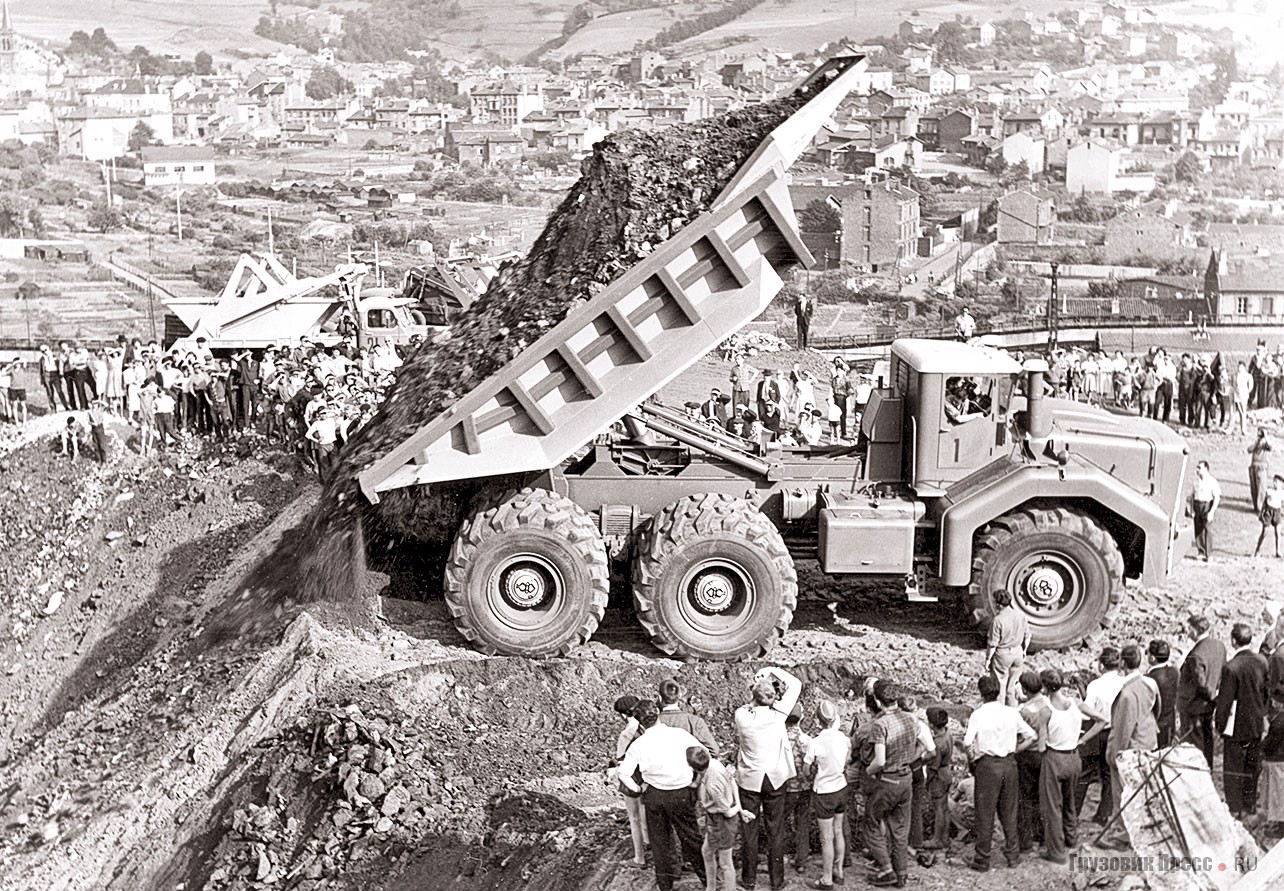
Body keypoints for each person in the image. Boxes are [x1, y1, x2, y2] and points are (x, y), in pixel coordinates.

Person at [618, 701, 707, 891]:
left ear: (640, 722)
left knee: (660, 844)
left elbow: (623, 773)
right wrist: (696, 779)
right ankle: (708, 880)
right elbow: (704, 754)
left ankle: (666, 886)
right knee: (691, 838)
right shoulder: (680, 735)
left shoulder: (638, 744)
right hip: (682, 793)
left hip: (655, 795)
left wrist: (638, 789)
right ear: (657, 713)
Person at [734, 666, 802, 891]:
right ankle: (776, 881)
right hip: (775, 778)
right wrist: (772, 670)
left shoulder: (742, 715)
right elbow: (796, 685)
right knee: (776, 831)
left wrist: (758, 686)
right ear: (773, 700)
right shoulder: (778, 716)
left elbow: (751, 703)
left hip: (750, 780)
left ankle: (749, 879)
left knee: (749, 831)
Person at [962, 674, 1036, 872]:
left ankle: (982, 859)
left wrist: (972, 759)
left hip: (987, 766)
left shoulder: (978, 714)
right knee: (1009, 811)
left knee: (985, 814)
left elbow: (967, 742)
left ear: (981, 693)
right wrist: (1015, 750)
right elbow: (1031, 735)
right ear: (999, 691)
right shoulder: (1011, 712)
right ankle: (1012, 855)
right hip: (1009, 764)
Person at [1098, 645, 1160, 850]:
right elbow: (1156, 709)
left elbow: (1123, 729)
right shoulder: (1149, 684)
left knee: (1123, 793)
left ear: (1122, 663)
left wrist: (1114, 756)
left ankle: (1122, 835)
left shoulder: (1127, 694)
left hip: (1131, 749)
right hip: (1148, 741)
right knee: (1143, 791)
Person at [864, 679, 918, 887]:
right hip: (906, 778)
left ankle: (886, 868)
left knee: (872, 822)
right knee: (900, 829)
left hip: (887, 779)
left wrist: (869, 772)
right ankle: (901, 872)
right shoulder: (911, 718)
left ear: (877, 701)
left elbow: (879, 760)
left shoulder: (880, 724)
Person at [1216, 623, 1269, 818]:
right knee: (1251, 765)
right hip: (1255, 722)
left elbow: (1225, 701)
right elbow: (1265, 692)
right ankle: (1250, 805)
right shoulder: (1262, 662)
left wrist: (1219, 726)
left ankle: (1235, 808)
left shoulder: (1231, 668)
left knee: (1233, 767)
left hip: (1236, 726)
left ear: (1233, 641)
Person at [1076, 647, 1126, 824]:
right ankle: (1103, 814)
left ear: (1102, 665)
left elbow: (1087, 712)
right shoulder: (1124, 682)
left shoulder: (1095, 685)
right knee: (1108, 773)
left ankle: (1074, 813)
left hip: (1097, 731)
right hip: (1115, 732)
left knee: (1085, 773)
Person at [1037, 669, 1082, 865]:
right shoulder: (1075, 704)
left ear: (1045, 688)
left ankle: (1056, 851)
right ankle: (1072, 839)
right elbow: (1102, 720)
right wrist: (1082, 740)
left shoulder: (1046, 711)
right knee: (1070, 800)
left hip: (1054, 758)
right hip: (1073, 756)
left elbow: (1040, 746)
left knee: (1052, 806)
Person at [689, 745, 748, 891]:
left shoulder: (712, 786)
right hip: (715, 818)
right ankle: (711, 887)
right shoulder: (715, 764)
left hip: (722, 821)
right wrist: (739, 806)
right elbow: (732, 780)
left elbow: (727, 812)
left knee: (725, 863)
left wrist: (738, 809)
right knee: (707, 851)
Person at [805, 700, 850, 890]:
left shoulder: (815, 742)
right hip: (841, 787)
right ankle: (838, 870)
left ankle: (826, 878)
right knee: (838, 831)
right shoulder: (844, 739)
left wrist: (814, 773)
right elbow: (847, 761)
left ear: (818, 720)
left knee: (826, 837)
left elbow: (807, 770)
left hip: (824, 791)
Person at [1179, 614, 1227, 769]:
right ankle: (1207, 773)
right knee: (1207, 741)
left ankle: (1198, 776)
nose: (1187, 632)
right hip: (1208, 706)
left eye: (1189, 629)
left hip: (1193, 707)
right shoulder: (1219, 646)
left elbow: (1201, 685)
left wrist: (1213, 697)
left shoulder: (1196, 655)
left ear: (1195, 630)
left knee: (1194, 746)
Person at [611, 695, 648, 868]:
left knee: (634, 818)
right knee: (646, 813)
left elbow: (621, 759)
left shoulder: (627, 732)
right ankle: (649, 844)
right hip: (648, 774)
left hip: (632, 776)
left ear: (623, 715)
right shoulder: (647, 726)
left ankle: (639, 858)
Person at [1015, 671, 1049, 855]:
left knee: (1025, 799)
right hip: (1045, 755)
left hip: (1027, 755)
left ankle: (1026, 841)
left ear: (1025, 689)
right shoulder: (1048, 705)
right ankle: (1042, 836)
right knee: (1042, 796)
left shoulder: (1022, 711)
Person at [983, 591, 1030, 707]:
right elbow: (1028, 635)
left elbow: (993, 644)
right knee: (1013, 686)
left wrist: (988, 659)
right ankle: (1012, 711)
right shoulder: (1021, 616)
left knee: (1000, 684)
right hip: (1018, 652)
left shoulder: (997, 620)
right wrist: (1024, 650)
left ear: (999, 604)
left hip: (1003, 654)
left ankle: (1001, 711)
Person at [922, 707, 953, 851]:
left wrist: (927, 781)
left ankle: (937, 839)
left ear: (932, 725)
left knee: (938, 808)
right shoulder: (947, 735)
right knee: (944, 808)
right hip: (946, 772)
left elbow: (933, 766)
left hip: (938, 776)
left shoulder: (938, 744)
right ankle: (944, 837)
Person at [657, 678, 718, 754]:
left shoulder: (653, 722)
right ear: (679, 695)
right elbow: (713, 750)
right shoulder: (694, 721)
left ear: (659, 698)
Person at [1147, 640, 1179, 748]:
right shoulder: (1175, 671)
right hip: (1170, 722)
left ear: (1152, 658)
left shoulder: (1149, 678)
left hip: (1154, 725)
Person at [1190, 460, 1221, 561]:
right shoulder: (1196, 482)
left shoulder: (1212, 481)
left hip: (1207, 505)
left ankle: (1209, 554)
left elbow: (1217, 497)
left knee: (1208, 529)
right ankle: (1201, 551)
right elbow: (1192, 496)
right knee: (1198, 529)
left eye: (1199, 468)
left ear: (1206, 469)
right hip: (1197, 505)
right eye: (1197, 468)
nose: (1197, 470)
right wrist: (1192, 509)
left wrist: (1211, 512)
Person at [1255, 476, 1284, 559]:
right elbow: (1264, 503)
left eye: (1277, 482)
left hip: (1277, 512)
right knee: (1264, 532)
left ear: (1281, 484)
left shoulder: (1282, 493)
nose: (1274, 483)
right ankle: (1257, 550)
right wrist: (1261, 513)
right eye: (1274, 481)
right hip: (1268, 511)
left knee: (1278, 533)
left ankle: (1278, 551)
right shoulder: (1269, 491)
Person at [1249, 428, 1274, 515]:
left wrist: (1266, 437)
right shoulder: (1257, 444)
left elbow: (1270, 447)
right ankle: (1256, 507)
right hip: (1253, 466)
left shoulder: (1267, 445)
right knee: (1254, 488)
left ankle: (1261, 508)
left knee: (1261, 488)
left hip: (1262, 467)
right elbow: (1249, 449)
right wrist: (1256, 443)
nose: (1260, 435)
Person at [1234, 361, 1255, 434]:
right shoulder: (1236, 375)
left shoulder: (1248, 376)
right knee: (1237, 412)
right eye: (1239, 367)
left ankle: (1244, 430)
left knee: (1243, 412)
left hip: (1244, 395)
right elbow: (1233, 384)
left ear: (1244, 367)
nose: (1239, 368)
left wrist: (1246, 392)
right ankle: (1237, 428)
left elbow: (1251, 386)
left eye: (1241, 367)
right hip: (1236, 395)